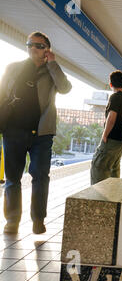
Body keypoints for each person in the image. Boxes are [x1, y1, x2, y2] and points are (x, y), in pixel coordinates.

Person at [0, 31, 72, 234]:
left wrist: (53, 64)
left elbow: (65, 88)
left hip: (42, 134)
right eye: (30, 44)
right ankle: (12, 221)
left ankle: (38, 219)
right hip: (13, 131)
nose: (33, 48)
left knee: (41, 177)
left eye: (39, 46)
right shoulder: (13, 68)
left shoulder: (52, 71)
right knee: (13, 178)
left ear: (47, 50)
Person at [90, 70, 122, 185]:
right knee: (113, 167)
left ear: (111, 84)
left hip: (112, 138)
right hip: (121, 139)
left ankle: (97, 198)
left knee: (98, 166)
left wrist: (104, 135)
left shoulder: (115, 97)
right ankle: (113, 197)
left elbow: (111, 118)